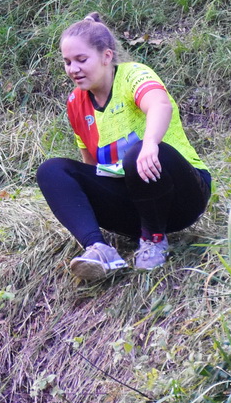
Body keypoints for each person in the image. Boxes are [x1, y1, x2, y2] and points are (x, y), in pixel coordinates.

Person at [36, 14, 210, 279]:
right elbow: (91, 167)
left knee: (139, 152)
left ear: (107, 56)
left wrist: (151, 143)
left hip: (181, 195)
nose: (73, 69)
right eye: (67, 62)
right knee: (51, 170)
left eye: (81, 60)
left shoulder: (133, 74)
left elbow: (159, 105)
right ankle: (98, 249)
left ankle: (154, 240)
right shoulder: (76, 103)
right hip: (133, 206)